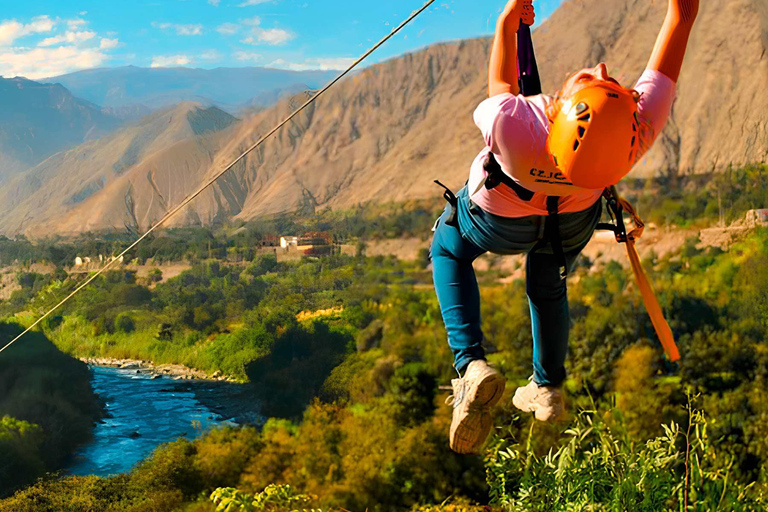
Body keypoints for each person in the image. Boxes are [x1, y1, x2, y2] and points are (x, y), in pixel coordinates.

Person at [432, 0, 700, 454]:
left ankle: (471, 365)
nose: (599, 66)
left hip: (497, 220)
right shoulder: (636, 136)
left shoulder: (515, 124)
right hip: (569, 224)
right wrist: (680, 15)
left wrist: (506, 19)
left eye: (594, 79)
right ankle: (547, 387)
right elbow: (676, 37)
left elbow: (500, 79)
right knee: (548, 285)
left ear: (559, 108)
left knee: (449, 250)